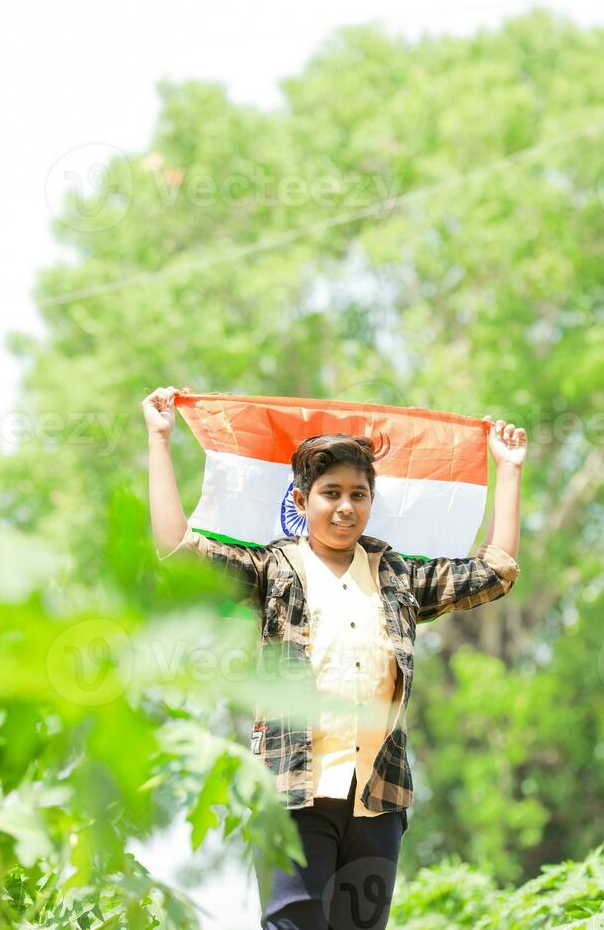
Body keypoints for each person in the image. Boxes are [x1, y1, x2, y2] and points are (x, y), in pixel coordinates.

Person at [142, 386, 526, 930]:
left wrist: (507, 469)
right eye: (331, 493)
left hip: (378, 797)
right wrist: (160, 440)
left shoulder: (397, 576)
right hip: (291, 791)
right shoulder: (275, 569)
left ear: (371, 501)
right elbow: (179, 553)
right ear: (301, 502)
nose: (346, 508)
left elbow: (495, 573)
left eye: (358, 494)